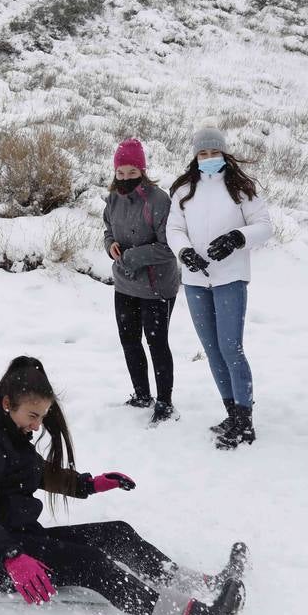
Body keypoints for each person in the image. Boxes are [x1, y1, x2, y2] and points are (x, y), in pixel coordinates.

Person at [0, 356, 247, 615]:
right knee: (92, 563)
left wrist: (90, 484)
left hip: (20, 539)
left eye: (42, 416)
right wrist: (11, 557)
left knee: (116, 533)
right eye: (33, 416)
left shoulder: (9, 429)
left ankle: (201, 583)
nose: (38, 425)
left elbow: (34, 473)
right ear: (7, 403)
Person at [166, 127, 272, 450]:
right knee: (212, 351)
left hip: (230, 279)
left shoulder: (241, 188)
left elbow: (264, 226)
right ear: (195, 157)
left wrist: (237, 238)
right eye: (203, 154)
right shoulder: (184, 190)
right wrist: (184, 252)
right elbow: (174, 228)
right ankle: (231, 412)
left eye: (214, 153)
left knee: (231, 349)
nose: (209, 159)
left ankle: (245, 420)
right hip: (197, 281)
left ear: (224, 154)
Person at [102, 138, 181, 425]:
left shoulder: (158, 201)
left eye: (131, 173)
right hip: (125, 284)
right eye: (120, 173)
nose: (124, 179)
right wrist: (110, 244)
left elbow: (170, 245)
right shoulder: (113, 198)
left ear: (143, 171)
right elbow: (108, 228)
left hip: (157, 286)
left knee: (157, 343)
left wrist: (133, 256)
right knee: (129, 341)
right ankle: (141, 395)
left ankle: (165, 402)